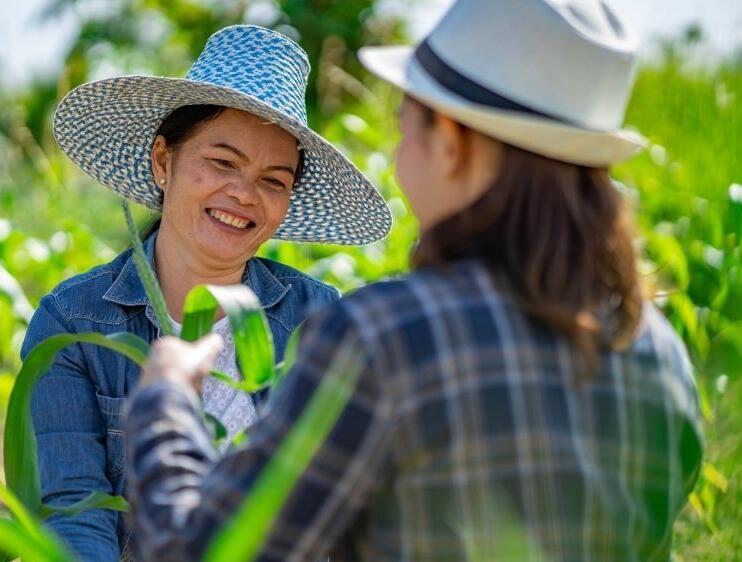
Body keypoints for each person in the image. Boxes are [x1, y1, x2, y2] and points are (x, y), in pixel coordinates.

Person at [125, 1, 703, 561]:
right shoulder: (660, 354)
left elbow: (204, 552)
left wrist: (165, 401)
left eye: (406, 130)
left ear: (450, 142)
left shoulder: (382, 337)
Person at [21, 25, 391, 560]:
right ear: (163, 162)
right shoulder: (75, 322)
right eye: (222, 163)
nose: (243, 194)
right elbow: (74, 510)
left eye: (273, 180)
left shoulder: (320, 318)